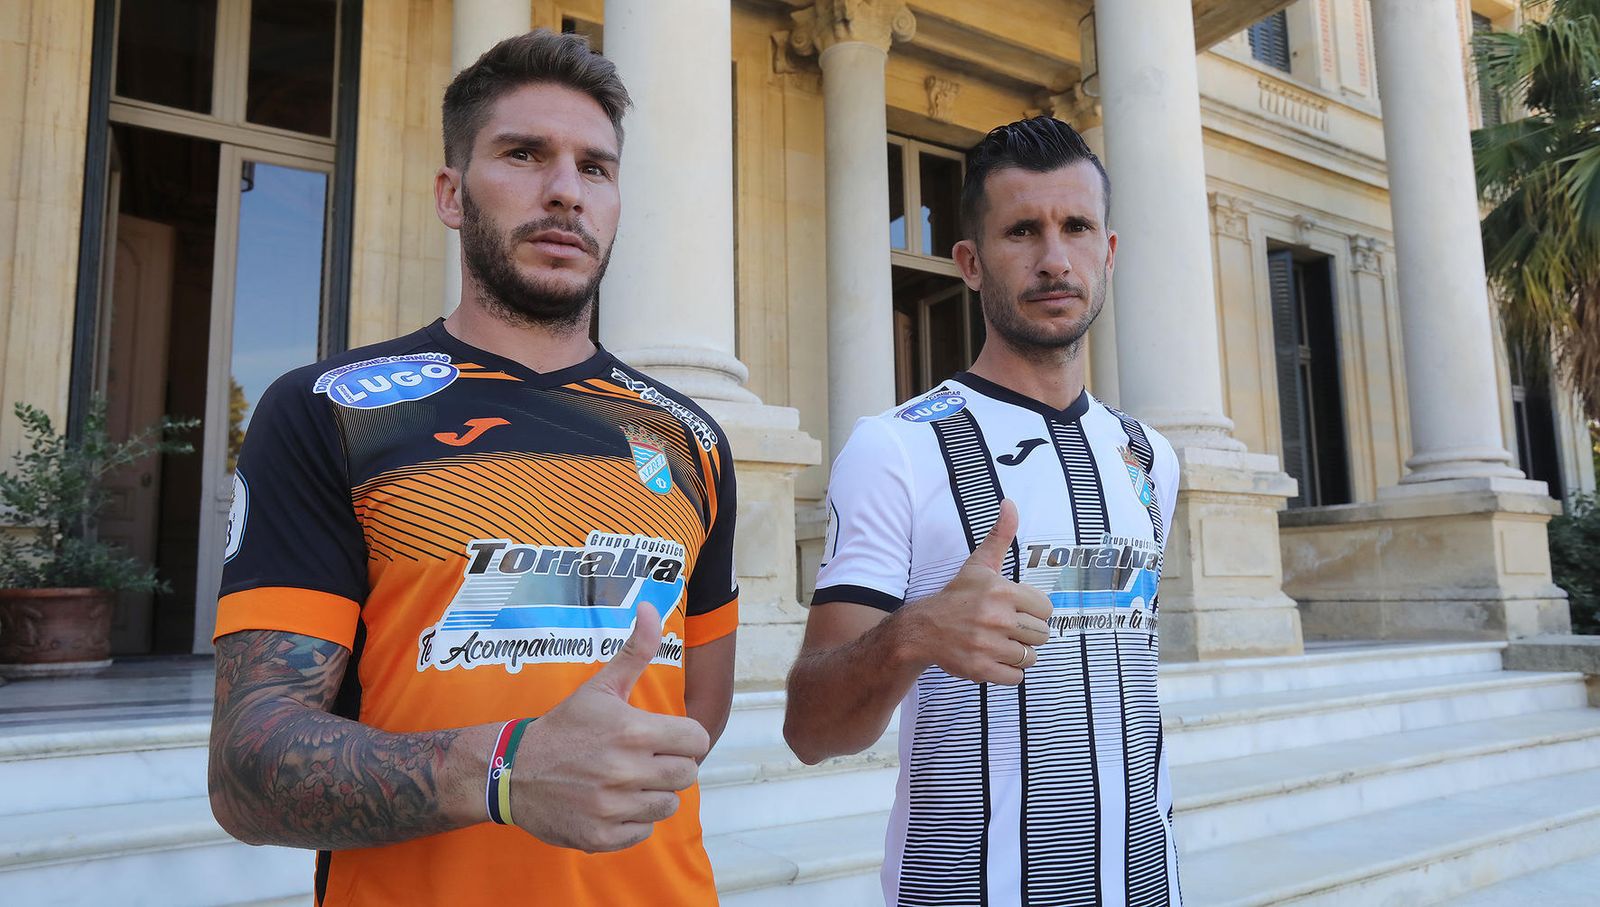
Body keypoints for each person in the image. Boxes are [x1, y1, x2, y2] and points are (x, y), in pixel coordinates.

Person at [207, 30, 738, 907]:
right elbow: (247, 767)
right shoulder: (330, 410)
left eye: (595, 168)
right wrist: (504, 771)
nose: (565, 189)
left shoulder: (691, 438)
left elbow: (695, 713)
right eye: (524, 154)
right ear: (452, 195)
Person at [784, 116, 1183, 906]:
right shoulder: (895, 448)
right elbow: (811, 730)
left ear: (1109, 251)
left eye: (1076, 228)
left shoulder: (1150, 456)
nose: (1054, 258)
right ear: (969, 261)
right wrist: (914, 633)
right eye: (1022, 231)